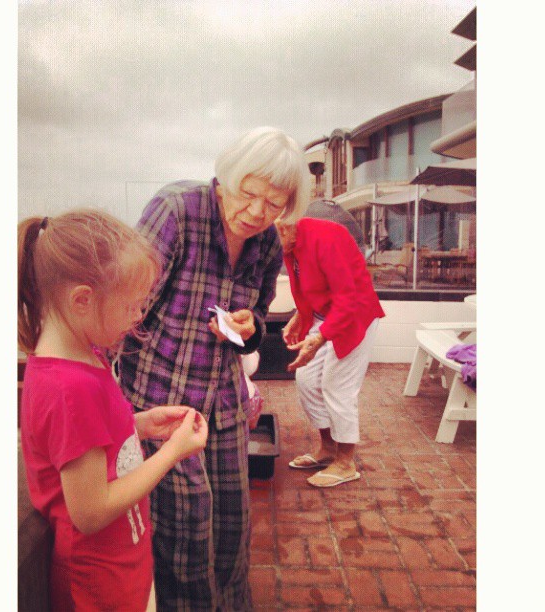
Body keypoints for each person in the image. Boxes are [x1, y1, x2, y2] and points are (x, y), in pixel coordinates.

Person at [119, 126, 310, 610]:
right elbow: (123, 305)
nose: (257, 212)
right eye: (248, 193)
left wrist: (250, 326)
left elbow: (260, 313)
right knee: (182, 534)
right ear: (227, 176)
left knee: (231, 530)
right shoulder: (176, 213)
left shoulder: (267, 243)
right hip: (160, 402)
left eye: (273, 204)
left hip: (224, 406)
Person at [18, 210, 208, 611]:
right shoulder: (70, 389)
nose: (138, 316)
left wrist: (140, 426)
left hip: (121, 563)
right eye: (132, 306)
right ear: (82, 300)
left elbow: (85, 444)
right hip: (97, 581)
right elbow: (91, 511)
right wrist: (172, 454)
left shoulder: (85, 356)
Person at [276, 216, 385, 488]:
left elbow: (347, 298)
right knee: (307, 380)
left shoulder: (326, 237)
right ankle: (327, 449)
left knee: (337, 386)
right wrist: (300, 317)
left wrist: (320, 338)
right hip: (324, 316)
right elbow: (307, 287)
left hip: (355, 315)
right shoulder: (289, 243)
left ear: (283, 227)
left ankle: (346, 462)